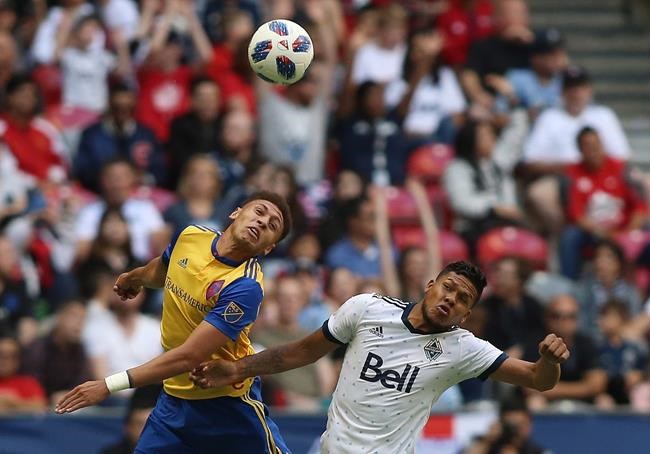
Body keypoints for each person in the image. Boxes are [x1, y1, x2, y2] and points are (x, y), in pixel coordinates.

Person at [190, 261, 570, 453]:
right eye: (448, 288)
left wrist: (550, 362)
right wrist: (237, 368)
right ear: (430, 285)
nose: (451, 299)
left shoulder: (463, 347)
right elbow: (298, 352)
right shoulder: (367, 309)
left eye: (462, 299)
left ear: (466, 315)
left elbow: (537, 380)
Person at [56, 191, 293, 454]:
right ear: (236, 213)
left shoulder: (245, 286)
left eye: (272, 225)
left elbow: (189, 356)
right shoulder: (193, 235)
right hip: (174, 403)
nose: (262, 222)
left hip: (228, 407)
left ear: (268, 248)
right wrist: (135, 278)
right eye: (259, 211)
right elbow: (162, 269)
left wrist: (108, 385)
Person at [524, 294, 606, 409]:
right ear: (547, 318)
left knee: (604, 401)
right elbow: (529, 387)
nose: (563, 321)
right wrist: (583, 388)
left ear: (577, 319)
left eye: (570, 316)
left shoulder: (587, 344)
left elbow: (597, 384)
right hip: (547, 400)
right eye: (556, 316)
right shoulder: (536, 343)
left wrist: (551, 389)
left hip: (581, 399)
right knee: (534, 401)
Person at [22, 299, 92, 405]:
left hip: (71, 405)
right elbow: (30, 386)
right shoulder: (38, 349)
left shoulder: (80, 349)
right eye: (74, 316)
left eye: (83, 318)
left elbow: (83, 382)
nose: (79, 323)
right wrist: (50, 399)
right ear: (59, 317)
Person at [596, 300, 646, 407]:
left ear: (621, 319)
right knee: (603, 402)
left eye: (609, 316)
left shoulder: (635, 348)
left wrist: (640, 376)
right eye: (603, 316)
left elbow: (643, 370)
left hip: (632, 391)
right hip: (607, 392)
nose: (603, 321)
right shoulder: (598, 348)